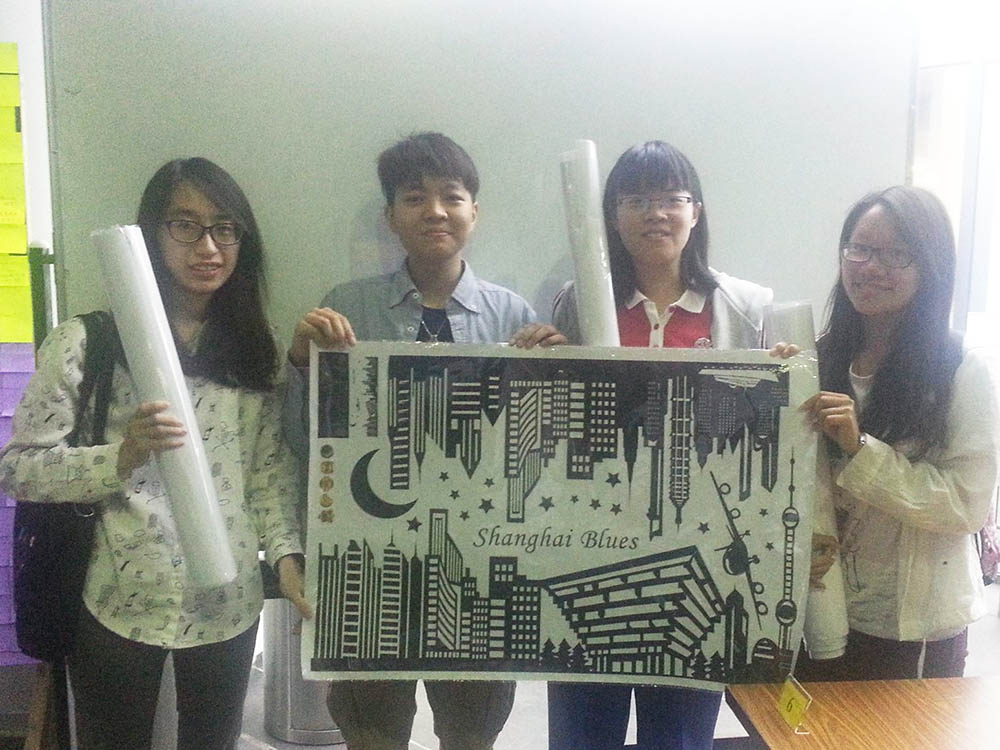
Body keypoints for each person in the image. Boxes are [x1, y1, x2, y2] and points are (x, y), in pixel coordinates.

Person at [518, 140, 829, 750]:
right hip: (596, 547)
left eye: (671, 199)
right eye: (636, 200)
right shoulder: (578, 301)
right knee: (584, 730)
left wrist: (786, 376)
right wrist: (535, 360)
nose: (655, 213)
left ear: (696, 211)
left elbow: (777, 435)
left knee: (681, 735)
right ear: (612, 216)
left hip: (702, 555)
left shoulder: (748, 306)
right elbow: (557, 425)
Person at [0, 157, 310, 750]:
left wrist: (288, 558)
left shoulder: (254, 349)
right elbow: (18, 469)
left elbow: (269, 476)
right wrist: (120, 456)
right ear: (150, 233)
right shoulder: (88, 342)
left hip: (227, 603)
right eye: (185, 226)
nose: (208, 247)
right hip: (118, 598)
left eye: (225, 228)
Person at [283, 132, 536, 750]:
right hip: (373, 563)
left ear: (475, 211)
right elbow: (302, 442)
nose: (435, 211)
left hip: (477, 570)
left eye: (452, 196)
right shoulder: (345, 309)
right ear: (391, 216)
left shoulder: (515, 317)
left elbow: (537, 463)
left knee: (471, 732)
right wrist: (300, 364)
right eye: (415, 198)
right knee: (371, 732)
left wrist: (551, 377)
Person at [801, 185, 999, 680]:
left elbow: (966, 505)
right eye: (860, 249)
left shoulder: (961, 368)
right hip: (819, 609)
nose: (871, 267)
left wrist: (859, 449)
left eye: (896, 255)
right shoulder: (817, 357)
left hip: (911, 626)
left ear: (930, 267)